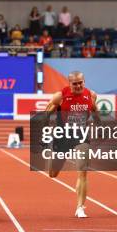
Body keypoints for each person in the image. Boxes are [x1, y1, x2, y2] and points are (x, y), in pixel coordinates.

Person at [44, 71, 101, 218]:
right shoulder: (60, 96)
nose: (78, 86)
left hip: (81, 135)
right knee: (52, 174)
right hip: (62, 136)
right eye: (75, 84)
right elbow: (46, 113)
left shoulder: (91, 95)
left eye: (80, 82)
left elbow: (95, 110)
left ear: (84, 81)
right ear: (69, 84)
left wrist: (99, 126)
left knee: (83, 171)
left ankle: (80, 207)